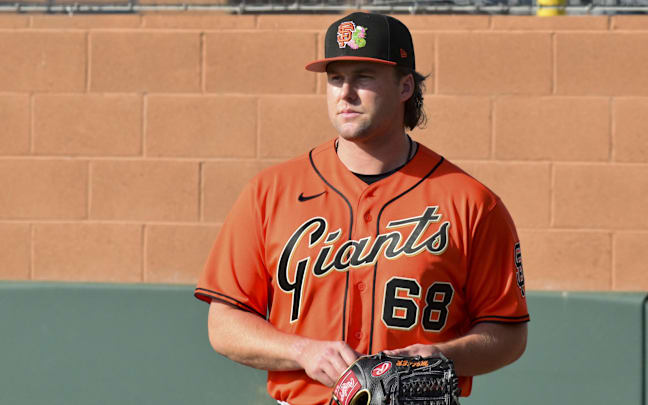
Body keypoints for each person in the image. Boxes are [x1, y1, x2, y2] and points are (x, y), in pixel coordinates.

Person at [194, 12, 529, 405]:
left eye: (364, 77)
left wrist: (444, 356)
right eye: (336, 78)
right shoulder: (270, 192)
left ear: (406, 86)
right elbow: (224, 324)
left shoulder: (471, 202)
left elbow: (508, 332)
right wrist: (303, 351)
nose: (345, 93)